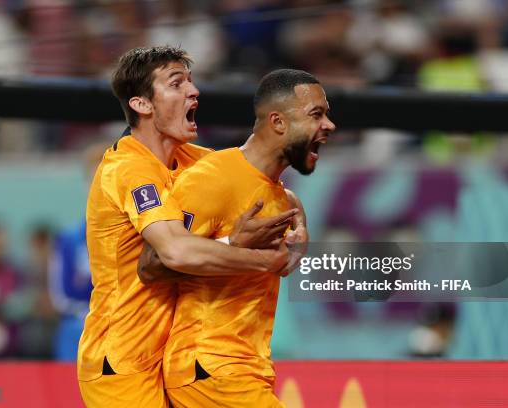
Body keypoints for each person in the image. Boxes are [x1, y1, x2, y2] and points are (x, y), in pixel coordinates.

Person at [77, 46, 300, 408]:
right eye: (176, 83)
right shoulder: (128, 168)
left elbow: (264, 180)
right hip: (121, 360)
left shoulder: (191, 158)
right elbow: (175, 251)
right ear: (142, 104)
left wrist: (298, 216)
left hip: (174, 358)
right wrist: (261, 259)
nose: (193, 92)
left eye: (191, 82)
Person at [139, 69, 335, 407]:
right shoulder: (213, 178)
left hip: (246, 368)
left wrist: (295, 244)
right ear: (278, 122)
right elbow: (153, 264)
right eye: (316, 114)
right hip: (209, 366)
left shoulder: (282, 199)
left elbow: (274, 265)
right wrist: (235, 245)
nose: (329, 125)